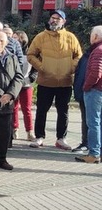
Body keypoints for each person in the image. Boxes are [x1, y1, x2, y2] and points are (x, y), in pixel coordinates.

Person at [27, 10, 82, 150]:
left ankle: (61, 139)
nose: (54, 20)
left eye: (58, 18)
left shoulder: (71, 37)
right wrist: (41, 67)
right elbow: (31, 54)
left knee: (63, 111)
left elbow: (79, 56)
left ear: (64, 21)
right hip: (45, 80)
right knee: (41, 110)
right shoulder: (41, 37)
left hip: (65, 81)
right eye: (53, 17)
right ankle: (39, 137)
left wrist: (71, 67)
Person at [0, 31, 22, 171]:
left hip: (7, 103)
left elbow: (19, 77)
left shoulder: (12, 57)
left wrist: (10, 94)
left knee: (5, 133)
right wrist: (1, 94)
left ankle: (0, 160)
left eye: (2, 41)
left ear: (7, 42)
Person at [75, 26, 102, 165]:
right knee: (99, 122)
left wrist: (86, 86)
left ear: (96, 37)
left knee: (93, 123)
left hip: (95, 91)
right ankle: (98, 151)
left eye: (91, 35)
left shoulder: (98, 50)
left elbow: (96, 72)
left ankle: (94, 153)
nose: (90, 37)